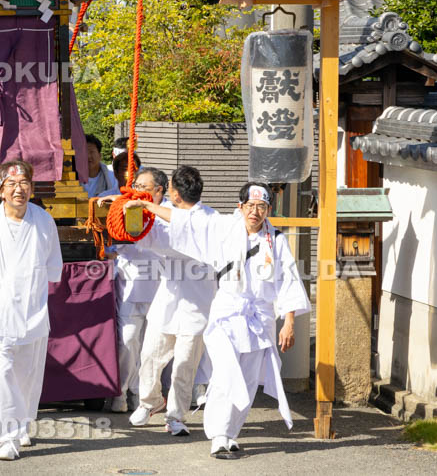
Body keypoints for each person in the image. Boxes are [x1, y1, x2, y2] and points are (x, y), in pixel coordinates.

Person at [125, 182, 310, 458]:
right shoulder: (223, 228)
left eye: (261, 207)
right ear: (240, 207)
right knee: (225, 375)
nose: (255, 212)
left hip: (259, 318)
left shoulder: (277, 240)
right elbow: (186, 222)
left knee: (247, 382)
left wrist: (290, 322)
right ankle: (219, 436)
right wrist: (149, 206)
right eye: (250, 206)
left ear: (268, 209)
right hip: (226, 314)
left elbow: (289, 281)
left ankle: (231, 434)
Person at [102, 165, 216, 436]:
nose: (141, 193)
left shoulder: (208, 218)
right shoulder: (161, 215)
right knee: (150, 354)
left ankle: (175, 417)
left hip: (198, 301)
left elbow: (180, 227)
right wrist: (122, 205)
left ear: (172, 194)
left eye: (146, 188)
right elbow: (140, 234)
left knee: (184, 364)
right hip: (167, 298)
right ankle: (150, 401)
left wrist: (146, 207)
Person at [0, 160, 63, 461]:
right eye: (11, 185)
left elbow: (52, 267)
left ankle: (22, 426)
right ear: (0, 190)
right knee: (1, 373)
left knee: (27, 376)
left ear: (32, 189)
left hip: (33, 310)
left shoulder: (44, 221)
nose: (18, 190)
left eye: (24, 184)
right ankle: (7, 437)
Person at [104, 166, 166, 413]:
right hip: (131, 286)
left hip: (161, 289)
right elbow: (110, 241)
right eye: (136, 186)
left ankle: (143, 394)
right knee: (128, 341)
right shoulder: (123, 207)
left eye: (143, 187)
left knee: (154, 347)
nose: (137, 191)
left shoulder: (169, 212)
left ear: (158, 190)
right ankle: (120, 390)